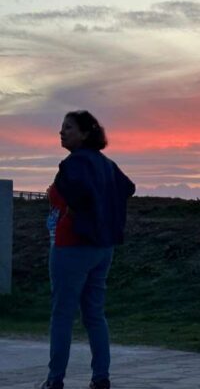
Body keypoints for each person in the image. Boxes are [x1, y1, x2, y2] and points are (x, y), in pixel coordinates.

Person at [40, 111, 135, 389]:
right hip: (103, 248)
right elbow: (128, 188)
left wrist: (74, 205)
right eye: (61, 128)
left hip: (72, 246)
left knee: (62, 314)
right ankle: (100, 378)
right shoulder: (107, 164)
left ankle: (55, 380)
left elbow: (74, 195)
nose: (62, 132)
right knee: (94, 314)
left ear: (84, 133)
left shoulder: (72, 164)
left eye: (68, 128)